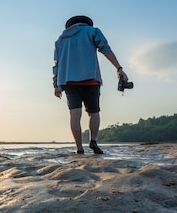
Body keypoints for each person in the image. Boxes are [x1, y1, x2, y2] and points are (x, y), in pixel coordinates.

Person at [53, 15, 128, 154]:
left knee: (74, 114)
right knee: (94, 112)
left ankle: (79, 148)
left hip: (69, 81)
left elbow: (57, 64)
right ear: (86, 23)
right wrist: (119, 68)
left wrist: (55, 85)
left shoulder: (60, 40)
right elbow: (105, 49)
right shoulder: (92, 31)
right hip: (91, 79)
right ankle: (93, 141)